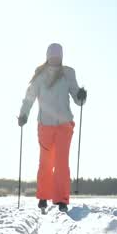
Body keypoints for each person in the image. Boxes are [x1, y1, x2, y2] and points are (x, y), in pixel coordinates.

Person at [18, 42, 87, 212]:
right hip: (45, 126)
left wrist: (81, 95)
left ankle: (62, 199)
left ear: (61, 57)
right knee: (46, 163)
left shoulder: (68, 74)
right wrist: (23, 114)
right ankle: (43, 197)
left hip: (64, 125)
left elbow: (78, 101)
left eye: (58, 57)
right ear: (47, 57)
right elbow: (29, 97)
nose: (55, 59)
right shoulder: (40, 75)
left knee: (62, 163)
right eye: (52, 56)